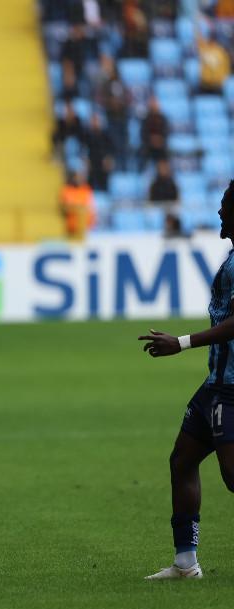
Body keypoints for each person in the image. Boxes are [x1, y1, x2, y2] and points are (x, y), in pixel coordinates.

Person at [138, 180, 234, 580]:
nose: (219, 212)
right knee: (183, 459)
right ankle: (185, 562)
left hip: (232, 389)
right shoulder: (231, 256)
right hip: (216, 384)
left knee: (232, 478)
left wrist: (181, 342)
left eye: (226, 205)